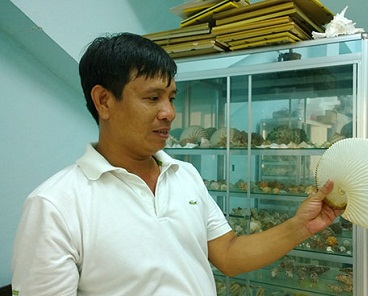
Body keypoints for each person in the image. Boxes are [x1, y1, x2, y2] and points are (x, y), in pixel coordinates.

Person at [11, 32, 342, 295]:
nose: (169, 112)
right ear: (104, 101)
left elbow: (228, 254)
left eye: (171, 97)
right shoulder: (54, 205)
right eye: (152, 98)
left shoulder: (184, 175)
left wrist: (300, 226)